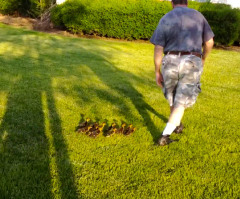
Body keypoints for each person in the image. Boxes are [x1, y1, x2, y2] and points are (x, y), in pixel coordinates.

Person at [150, 0, 214, 146]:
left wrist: (157, 71)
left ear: (172, 3)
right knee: (181, 100)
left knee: (172, 96)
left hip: (170, 61)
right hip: (191, 61)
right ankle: (165, 135)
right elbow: (209, 42)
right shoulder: (198, 16)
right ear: (187, 2)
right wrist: (203, 57)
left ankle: (177, 125)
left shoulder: (166, 18)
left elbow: (158, 47)